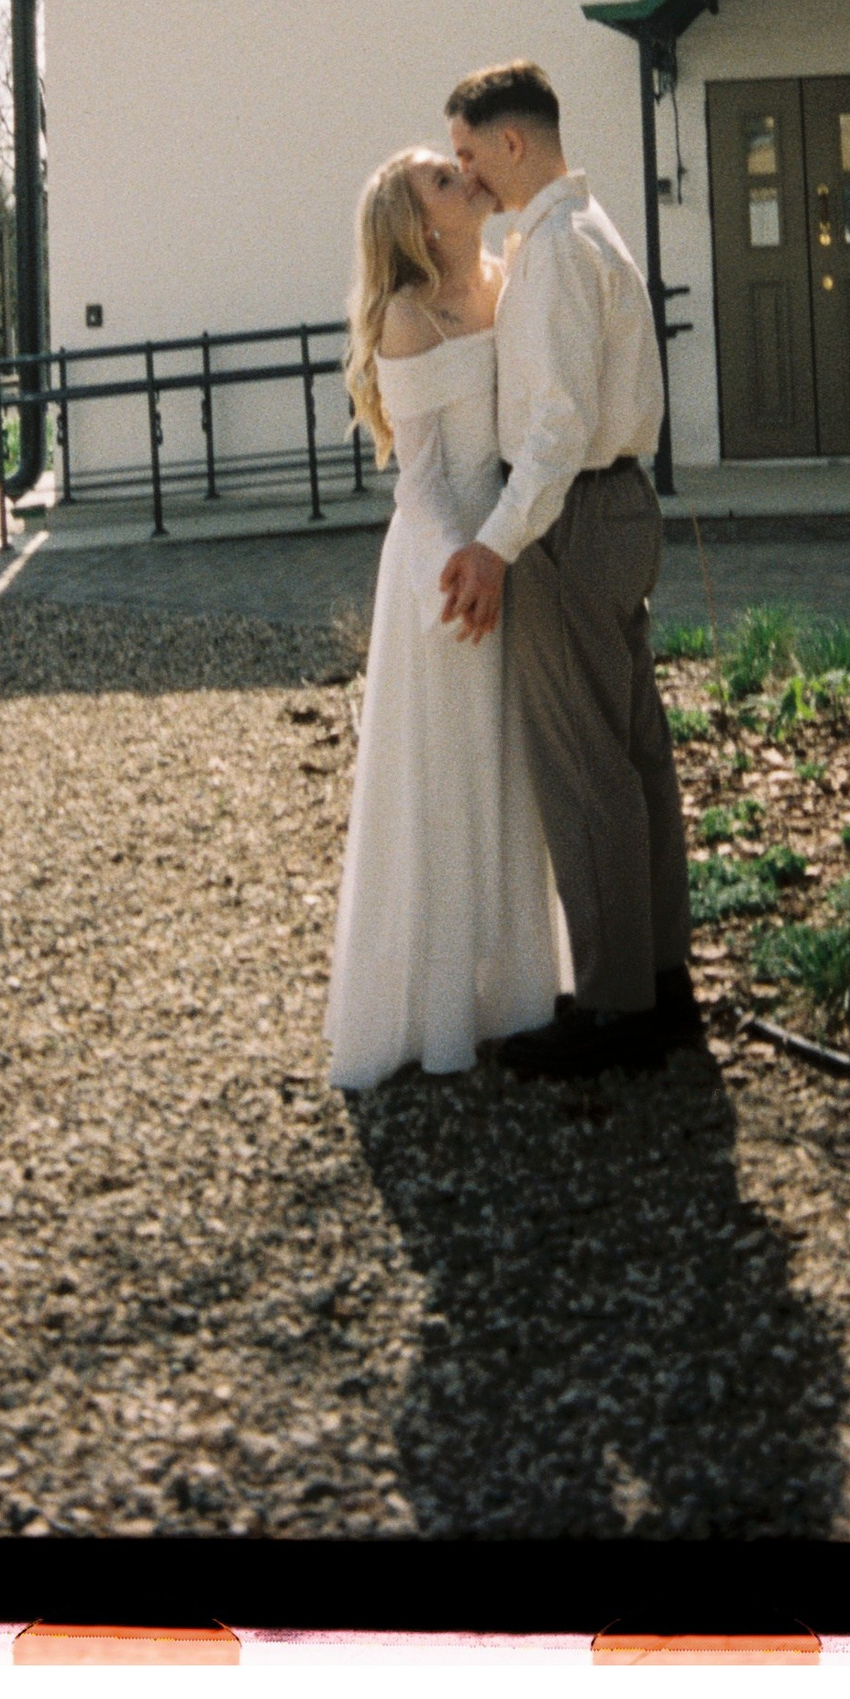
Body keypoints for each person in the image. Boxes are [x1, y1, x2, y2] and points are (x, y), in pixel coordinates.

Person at [437, 59, 698, 1081]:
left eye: (468, 154)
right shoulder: (595, 230)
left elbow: (553, 432)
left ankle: (613, 1007)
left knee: (585, 769)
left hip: (574, 520)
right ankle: (661, 976)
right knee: (634, 755)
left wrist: (495, 545)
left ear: (512, 144)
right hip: (623, 507)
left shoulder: (550, 251)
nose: (467, 177)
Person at [323, 146, 565, 1091]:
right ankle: (435, 1008)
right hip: (445, 574)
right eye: (437, 177)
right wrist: (456, 581)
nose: (459, 174)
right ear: (419, 223)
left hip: (513, 546)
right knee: (447, 779)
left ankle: (515, 994)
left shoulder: (511, 279)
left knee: (512, 770)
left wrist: (506, 550)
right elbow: (417, 486)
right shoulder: (406, 317)